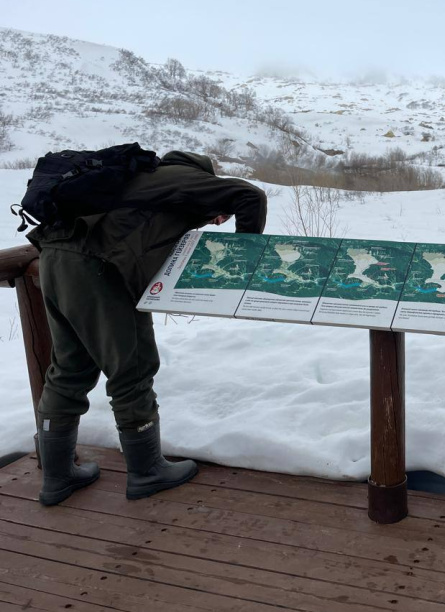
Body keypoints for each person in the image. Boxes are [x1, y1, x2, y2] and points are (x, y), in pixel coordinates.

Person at [27, 151, 268, 506]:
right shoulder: (185, 178)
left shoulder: (138, 178)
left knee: (69, 368)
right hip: (100, 269)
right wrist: (246, 256)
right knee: (133, 367)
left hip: (54, 261)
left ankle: (57, 477)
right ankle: (147, 471)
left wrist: (203, 214)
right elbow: (251, 196)